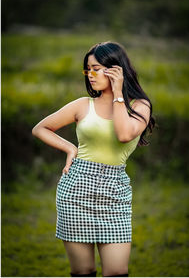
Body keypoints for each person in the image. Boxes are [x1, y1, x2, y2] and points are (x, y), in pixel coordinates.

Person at [32, 41, 155, 277]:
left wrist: (118, 93)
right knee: (83, 272)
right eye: (87, 69)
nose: (90, 74)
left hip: (115, 192)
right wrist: (70, 149)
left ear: (116, 70)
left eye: (96, 68)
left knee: (117, 272)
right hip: (76, 190)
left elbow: (124, 134)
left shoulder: (139, 106)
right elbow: (41, 128)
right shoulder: (82, 105)